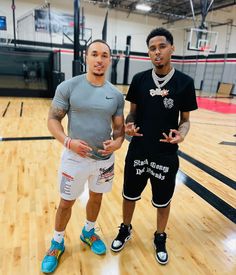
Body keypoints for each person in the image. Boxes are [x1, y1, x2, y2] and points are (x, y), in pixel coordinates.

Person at [110, 27, 198, 265]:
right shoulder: (139, 80)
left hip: (165, 154)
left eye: (161, 47)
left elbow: (186, 121)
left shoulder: (185, 83)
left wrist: (181, 135)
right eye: (152, 48)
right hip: (138, 149)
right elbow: (132, 115)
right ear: (148, 53)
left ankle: (160, 236)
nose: (157, 52)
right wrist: (129, 126)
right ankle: (125, 228)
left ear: (172, 48)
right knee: (129, 195)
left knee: (163, 199)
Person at [41, 39, 125, 273]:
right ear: (86, 57)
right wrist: (68, 141)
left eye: (104, 55)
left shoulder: (116, 96)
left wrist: (117, 143)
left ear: (110, 60)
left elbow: (119, 130)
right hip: (74, 158)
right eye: (95, 54)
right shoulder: (68, 87)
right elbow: (53, 119)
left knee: (96, 199)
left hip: (104, 161)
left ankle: (89, 232)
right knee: (66, 202)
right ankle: (57, 243)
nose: (99, 59)